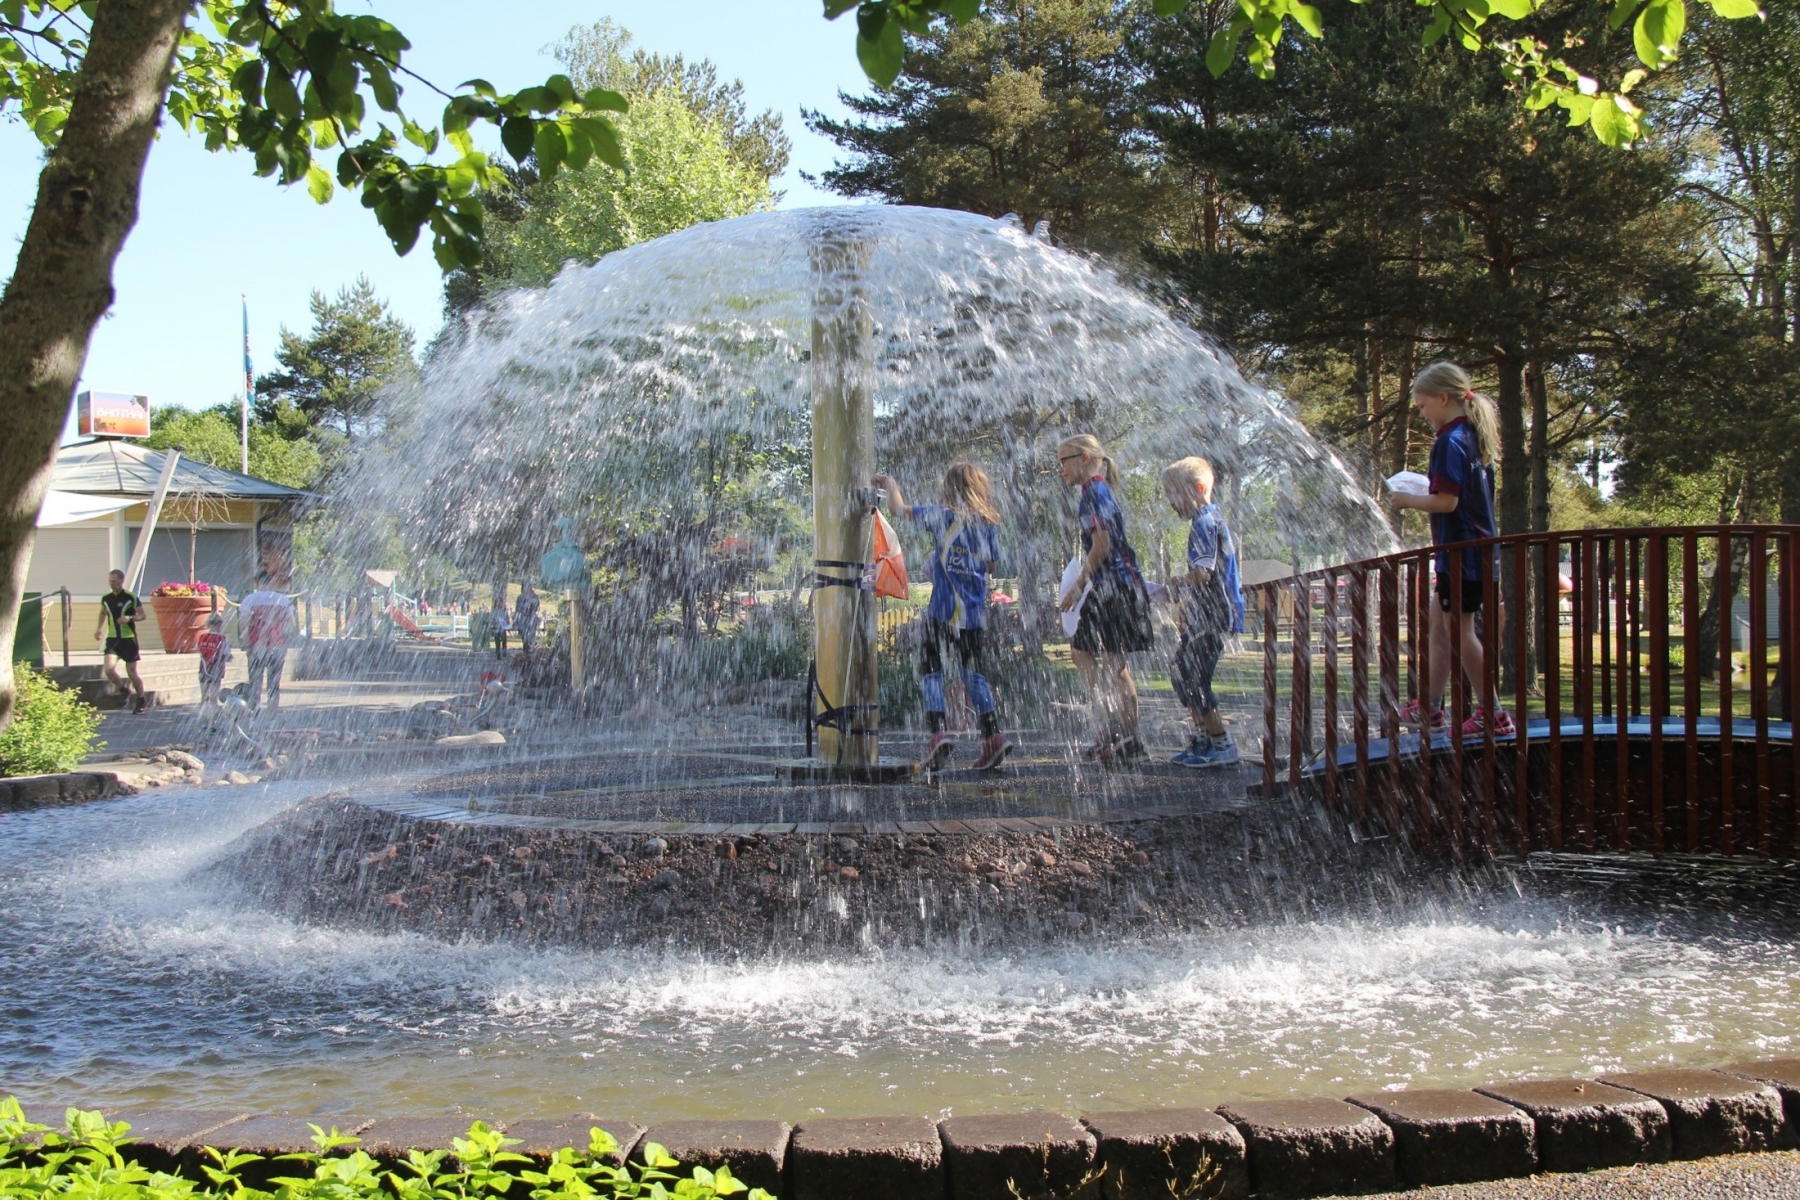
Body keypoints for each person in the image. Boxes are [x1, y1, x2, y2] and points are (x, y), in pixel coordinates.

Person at [1390, 361, 1516, 738]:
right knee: (1440, 629)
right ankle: (1428, 707)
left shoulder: (1449, 440)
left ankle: (1492, 713)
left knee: (1461, 632)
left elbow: (1447, 501)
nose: (1423, 414)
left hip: (1462, 555)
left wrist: (1407, 500)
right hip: (1471, 554)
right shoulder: (1473, 437)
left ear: (1443, 398)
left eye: (1424, 406)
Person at [873, 464, 1013, 771]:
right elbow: (991, 567)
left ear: (949, 490)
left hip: (941, 612)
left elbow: (898, 509)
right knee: (974, 675)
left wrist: (888, 481)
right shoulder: (988, 524)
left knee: (931, 668)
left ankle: (937, 732)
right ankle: (993, 736)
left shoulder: (941, 516)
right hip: (974, 616)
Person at [1057, 434, 1154, 764]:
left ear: (1084, 458)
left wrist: (1078, 586)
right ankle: (1125, 734)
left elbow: (1102, 545)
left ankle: (1120, 728)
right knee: (1105, 661)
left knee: (1098, 659)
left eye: (1063, 461)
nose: (1060, 469)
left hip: (1117, 587)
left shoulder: (1095, 492)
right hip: (1116, 587)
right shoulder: (1095, 492)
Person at [1160, 456, 1244, 768]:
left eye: (1174, 493)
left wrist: (1173, 585)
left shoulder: (1206, 523)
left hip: (1214, 614)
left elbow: (1203, 573)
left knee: (1195, 678)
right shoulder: (1206, 521)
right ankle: (1202, 739)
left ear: (1197, 488)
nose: (1170, 501)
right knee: (1182, 672)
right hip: (1205, 613)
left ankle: (1221, 743)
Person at [240, 571, 296, 714]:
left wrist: (246, 642)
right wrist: (284, 640)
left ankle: (255, 709)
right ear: (271, 583)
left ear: (257, 583)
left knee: (255, 680)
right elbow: (291, 625)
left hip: (256, 645)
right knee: (274, 682)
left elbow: (243, 622)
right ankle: (272, 711)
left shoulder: (250, 599)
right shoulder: (282, 600)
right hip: (277, 646)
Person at [94, 568, 147, 713]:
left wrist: (129, 618)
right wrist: (99, 628)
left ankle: (141, 699)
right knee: (108, 669)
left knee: (132, 672)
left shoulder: (130, 597)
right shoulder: (106, 598)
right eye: (110, 582)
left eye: (115, 582)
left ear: (121, 581)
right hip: (113, 638)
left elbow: (142, 615)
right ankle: (124, 690)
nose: (112, 584)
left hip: (128, 639)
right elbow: (103, 612)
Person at [196, 611, 231, 705]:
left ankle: (203, 716)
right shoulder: (221, 638)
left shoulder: (202, 637)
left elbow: (198, 649)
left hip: (203, 667)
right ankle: (213, 716)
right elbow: (226, 653)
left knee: (204, 697)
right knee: (213, 698)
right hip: (216, 667)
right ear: (220, 624)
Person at [514, 582, 541, 653]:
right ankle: (525, 649)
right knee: (524, 635)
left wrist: (533, 603)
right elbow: (517, 609)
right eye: (526, 586)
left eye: (529, 586)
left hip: (531, 617)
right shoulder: (520, 597)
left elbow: (537, 607)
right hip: (523, 618)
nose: (528, 588)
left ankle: (529, 649)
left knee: (531, 635)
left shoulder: (535, 596)